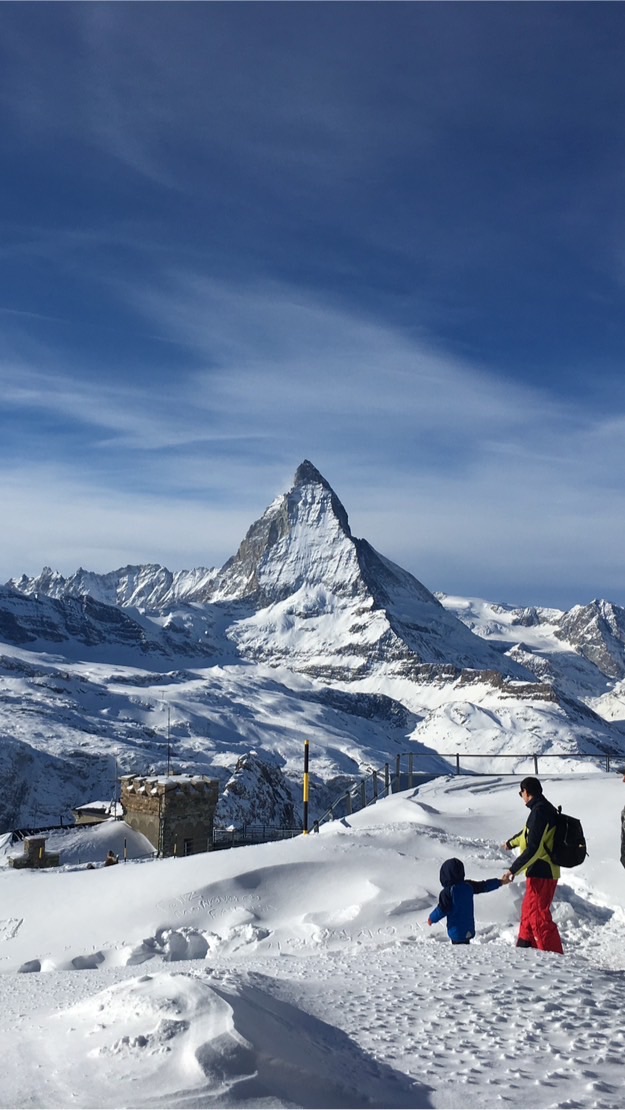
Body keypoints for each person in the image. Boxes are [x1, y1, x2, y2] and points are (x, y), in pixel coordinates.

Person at [502, 776, 563, 953]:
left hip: (543, 872)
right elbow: (528, 834)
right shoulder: (540, 809)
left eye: (520, 793)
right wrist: (511, 843)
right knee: (529, 914)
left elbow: (534, 848)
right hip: (537, 872)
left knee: (539, 918)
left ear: (526, 792)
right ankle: (525, 951)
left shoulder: (540, 812)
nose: (521, 796)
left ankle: (555, 960)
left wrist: (513, 870)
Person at [427, 857, 508, 944]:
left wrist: (432, 918)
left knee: (458, 952)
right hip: (469, 929)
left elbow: (442, 909)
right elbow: (484, 885)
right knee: (466, 949)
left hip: (456, 932)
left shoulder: (448, 892)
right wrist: (500, 882)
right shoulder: (468, 885)